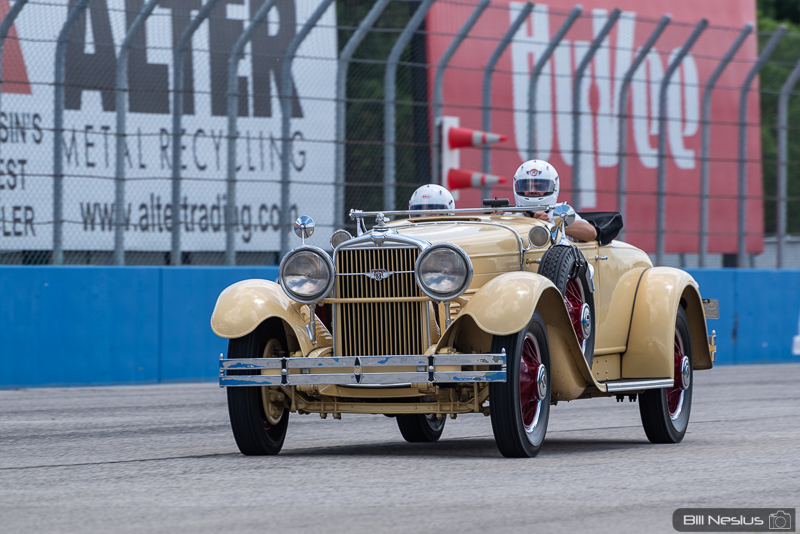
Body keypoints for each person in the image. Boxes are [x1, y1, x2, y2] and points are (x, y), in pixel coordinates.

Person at [513, 159, 597, 242]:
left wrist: (553, 223)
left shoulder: (560, 212)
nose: (533, 191)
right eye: (526, 187)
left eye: (540, 187)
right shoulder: (510, 215)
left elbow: (591, 233)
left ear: (554, 187)